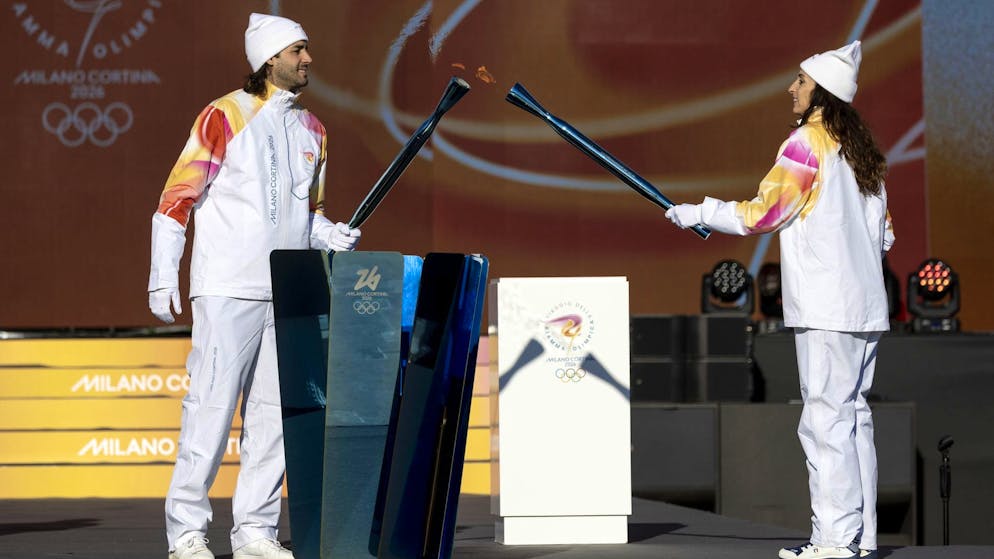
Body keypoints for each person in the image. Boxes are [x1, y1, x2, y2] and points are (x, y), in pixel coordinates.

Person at [666, 41, 892, 559]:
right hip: (865, 308)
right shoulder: (862, 153)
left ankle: (834, 541)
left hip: (826, 307)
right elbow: (885, 236)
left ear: (822, 92)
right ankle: (860, 539)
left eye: (801, 81)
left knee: (825, 421)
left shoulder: (806, 143)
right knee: (853, 417)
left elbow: (765, 213)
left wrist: (699, 212)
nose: (792, 88)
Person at [147, 12, 361, 559]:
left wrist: (329, 233)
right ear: (270, 59)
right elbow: (177, 199)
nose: (307, 59)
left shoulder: (314, 130)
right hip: (227, 286)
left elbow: (306, 215)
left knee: (272, 418)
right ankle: (186, 531)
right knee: (210, 408)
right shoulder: (224, 116)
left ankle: (255, 532)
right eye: (297, 50)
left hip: (286, 293)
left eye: (306, 49)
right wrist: (162, 274)